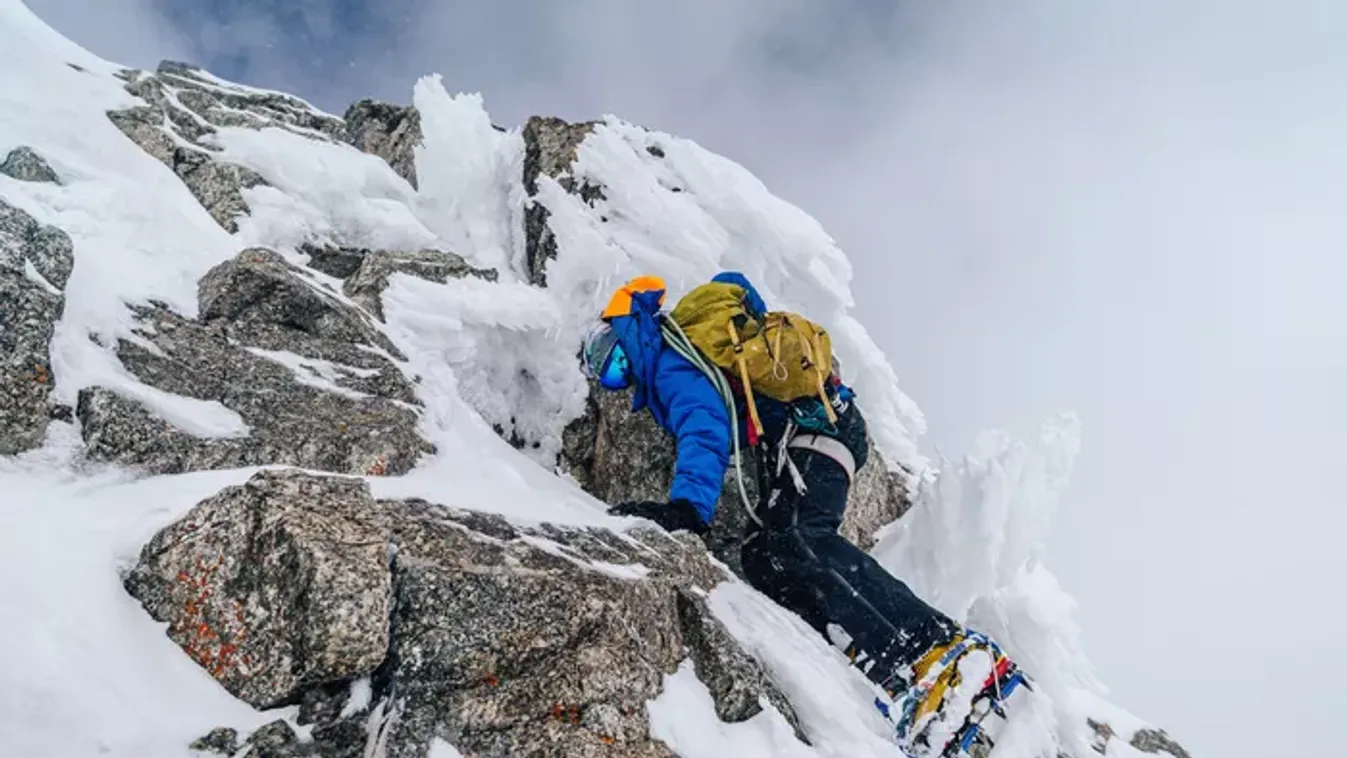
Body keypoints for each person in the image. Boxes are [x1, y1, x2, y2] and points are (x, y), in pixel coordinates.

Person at [581, 272, 1028, 754]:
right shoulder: (687, 351)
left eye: (615, 360)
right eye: (610, 376)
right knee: (764, 557)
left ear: (628, 331)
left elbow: (704, 429)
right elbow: (736, 286)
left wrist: (688, 508)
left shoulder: (669, 360)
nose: (620, 375)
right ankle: (889, 668)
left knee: (800, 536)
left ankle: (934, 644)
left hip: (820, 429)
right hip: (816, 435)